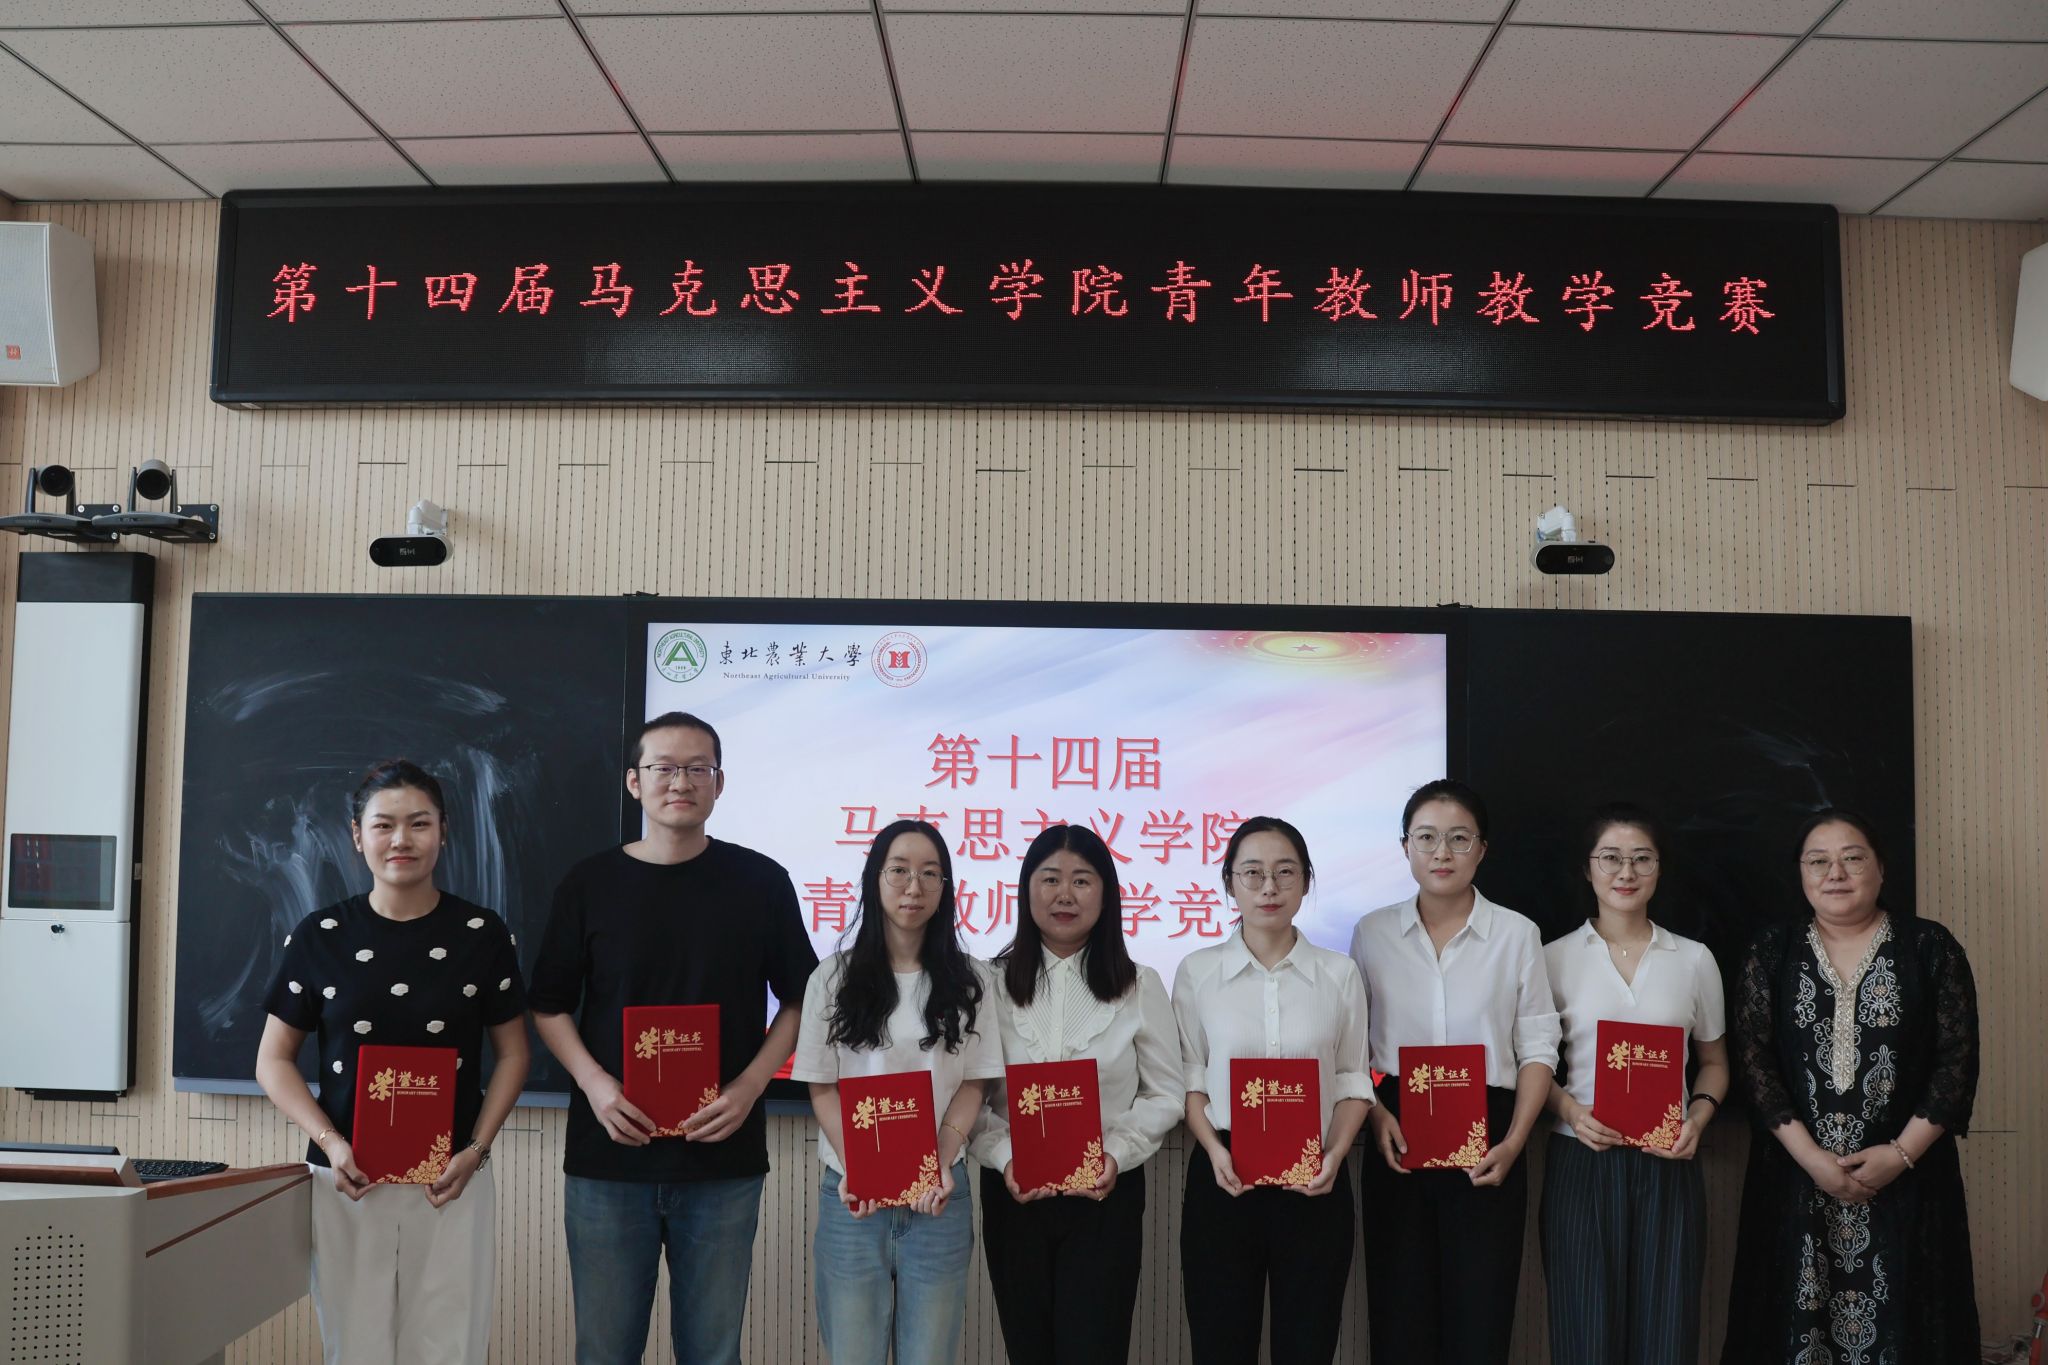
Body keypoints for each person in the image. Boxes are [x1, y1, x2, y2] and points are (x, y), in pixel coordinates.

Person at [528, 711, 818, 1365]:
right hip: (610, 1157)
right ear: (634, 781)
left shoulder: (760, 882)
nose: (680, 782)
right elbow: (547, 1006)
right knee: (604, 1352)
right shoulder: (588, 884)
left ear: (720, 783)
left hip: (721, 1159)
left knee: (713, 1352)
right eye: (663, 767)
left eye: (697, 768)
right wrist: (596, 1085)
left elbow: (804, 998)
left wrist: (751, 1085)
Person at [255, 759, 529, 1365]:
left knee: (450, 1345)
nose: (401, 839)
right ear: (357, 836)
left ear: (443, 832)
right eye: (383, 825)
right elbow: (273, 1060)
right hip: (347, 1176)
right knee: (355, 1346)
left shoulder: (482, 934)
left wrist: (476, 1149)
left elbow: (514, 1053)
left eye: (419, 823)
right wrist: (330, 1143)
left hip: (453, 1176)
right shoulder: (320, 934)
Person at [1722, 809, 1980, 1365]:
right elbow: (1754, 1063)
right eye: (1818, 861)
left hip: (1909, 1184)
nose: (1835, 873)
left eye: (1852, 858)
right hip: (1795, 1181)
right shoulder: (1772, 951)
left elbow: (1956, 1064)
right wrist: (1813, 1160)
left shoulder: (1930, 948)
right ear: (1801, 873)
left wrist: (1900, 1156)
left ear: (1881, 868)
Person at [1349, 778, 1560, 1365]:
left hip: (1491, 1132)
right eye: (1427, 837)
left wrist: (1515, 1141)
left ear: (1482, 849)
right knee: (1400, 1310)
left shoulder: (1516, 934)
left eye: (1459, 838)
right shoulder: (1372, 933)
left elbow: (1538, 1045)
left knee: (1481, 1314)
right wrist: (1376, 1113)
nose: (1442, 852)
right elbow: (1352, 1047)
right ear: (1405, 847)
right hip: (1396, 1126)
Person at [791, 818, 1002, 1365]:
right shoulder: (832, 978)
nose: (914, 886)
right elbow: (822, 1087)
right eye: (900, 871)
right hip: (852, 1197)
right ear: (875, 879)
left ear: (945, 887)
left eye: (930, 873)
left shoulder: (973, 980)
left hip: (940, 1198)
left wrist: (939, 1162)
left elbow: (975, 1082)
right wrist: (859, 1166)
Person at [969, 824, 1181, 1365]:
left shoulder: (1140, 984)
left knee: (1095, 1350)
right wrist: (1005, 1155)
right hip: (1014, 1193)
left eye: (1082, 881)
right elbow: (969, 1096)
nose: (1065, 894)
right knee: (1028, 1349)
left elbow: (1165, 1093)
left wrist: (1118, 1153)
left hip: (1105, 1196)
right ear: (1026, 891)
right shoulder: (988, 984)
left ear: (1106, 895)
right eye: (1050, 879)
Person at [1172, 816, 1372, 1365]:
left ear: (1306, 881)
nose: (1269, 887)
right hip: (1224, 1177)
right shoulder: (1197, 972)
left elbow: (1354, 1078)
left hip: (1316, 1183)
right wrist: (1213, 1150)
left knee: (1308, 1346)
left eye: (1285, 872)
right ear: (1229, 883)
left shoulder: (1339, 974)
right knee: (1220, 1346)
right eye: (1252, 873)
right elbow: (1189, 1077)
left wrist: (1334, 1155)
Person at [1540, 804, 1729, 1365]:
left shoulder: (1693, 960)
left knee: (1667, 1334)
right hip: (1581, 1160)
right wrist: (1570, 1112)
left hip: (1668, 1161)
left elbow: (1714, 1062)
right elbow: (1531, 1065)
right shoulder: (1551, 958)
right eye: (1611, 858)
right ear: (1588, 868)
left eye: (1642, 858)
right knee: (1583, 1334)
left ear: (1659, 869)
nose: (1626, 872)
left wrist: (1698, 1118)